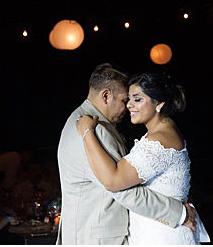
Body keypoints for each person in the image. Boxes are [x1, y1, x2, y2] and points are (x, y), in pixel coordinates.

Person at [57, 63, 199, 245]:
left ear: (159, 104)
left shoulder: (85, 121)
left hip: (156, 233)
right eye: (126, 100)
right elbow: (120, 188)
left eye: (136, 99)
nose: (128, 106)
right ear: (106, 95)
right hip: (98, 237)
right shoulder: (94, 128)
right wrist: (179, 213)